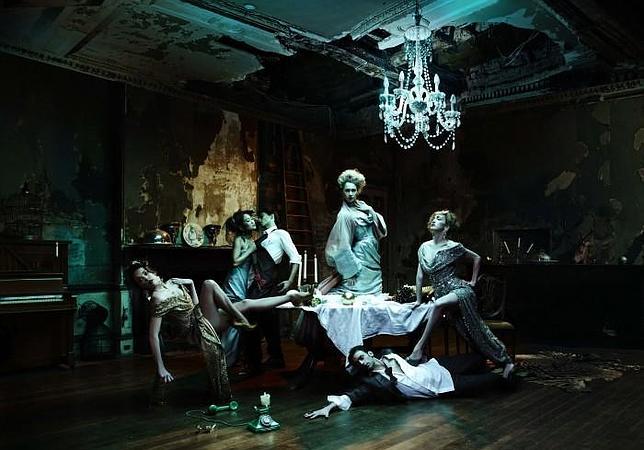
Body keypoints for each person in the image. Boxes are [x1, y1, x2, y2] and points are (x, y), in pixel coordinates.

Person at [126, 261, 310, 401]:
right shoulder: (157, 298)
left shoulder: (173, 284)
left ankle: (290, 297)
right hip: (199, 330)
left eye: (145, 273)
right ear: (141, 286)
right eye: (140, 281)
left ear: (151, 270)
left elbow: (195, 306)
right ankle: (239, 318)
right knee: (209, 284)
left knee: (246, 303)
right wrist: (160, 367)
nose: (146, 279)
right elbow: (153, 335)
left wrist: (191, 284)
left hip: (201, 316)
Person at [407, 210, 514, 377]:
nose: (434, 220)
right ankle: (503, 361)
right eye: (433, 218)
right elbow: (420, 276)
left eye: (439, 219)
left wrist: (473, 281)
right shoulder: (424, 248)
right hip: (442, 294)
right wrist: (419, 300)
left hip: (460, 291)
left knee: (438, 305)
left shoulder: (454, 247)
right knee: (471, 331)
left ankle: (418, 349)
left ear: (446, 227)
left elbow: (477, 258)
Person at [304, 345, 512, 419]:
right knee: (494, 381)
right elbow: (351, 396)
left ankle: (498, 364)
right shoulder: (373, 382)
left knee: (477, 358)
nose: (362, 362)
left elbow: (413, 359)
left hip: (435, 367)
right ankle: (504, 376)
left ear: (369, 354)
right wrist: (328, 407)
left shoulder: (388, 354)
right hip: (441, 387)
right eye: (358, 363)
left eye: (361, 357)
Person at [245, 208, 302, 370]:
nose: (259, 219)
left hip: (268, 281)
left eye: (261, 216)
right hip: (257, 281)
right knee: (260, 319)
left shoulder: (281, 234)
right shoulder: (261, 237)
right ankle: (259, 359)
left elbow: (295, 257)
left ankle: (265, 360)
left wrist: (290, 281)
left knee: (262, 319)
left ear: (271, 216)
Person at [322, 169, 387, 295]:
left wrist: (371, 212)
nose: (350, 194)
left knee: (374, 297)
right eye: (347, 190)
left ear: (358, 191)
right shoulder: (344, 215)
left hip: (372, 256)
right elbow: (343, 246)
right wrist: (349, 272)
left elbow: (380, 231)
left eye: (353, 190)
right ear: (342, 191)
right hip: (359, 260)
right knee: (358, 296)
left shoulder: (363, 206)